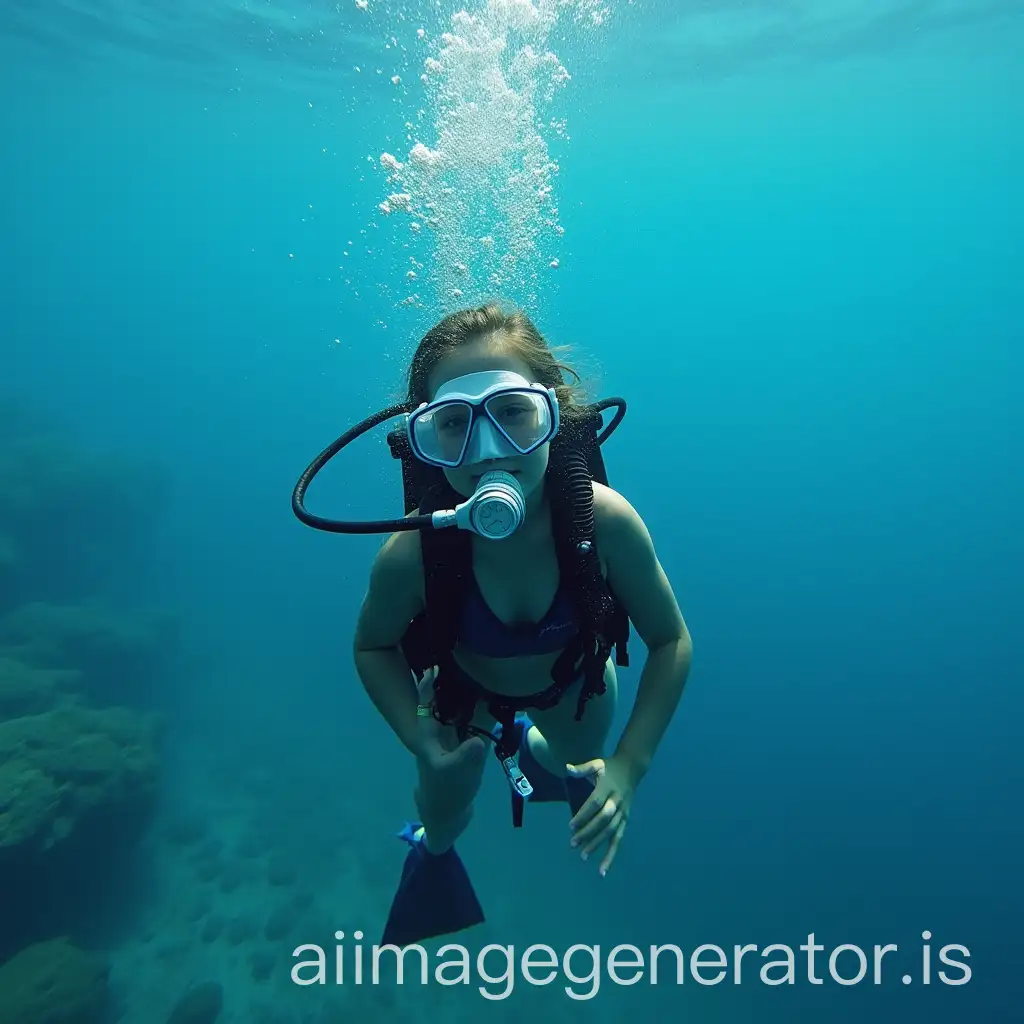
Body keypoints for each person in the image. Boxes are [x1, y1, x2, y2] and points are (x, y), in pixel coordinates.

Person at [351, 302, 693, 946]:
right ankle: (433, 845)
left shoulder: (605, 522)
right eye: (455, 424)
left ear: (553, 415)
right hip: (457, 697)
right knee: (446, 815)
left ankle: (529, 761)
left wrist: (627, 766)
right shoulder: (413, 553)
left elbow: (672, 640)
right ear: (425, 439)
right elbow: (371, 645)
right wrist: (419, 742)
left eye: (512, 413)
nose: (488, 454)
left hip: (574, 688)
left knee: (578, 765)